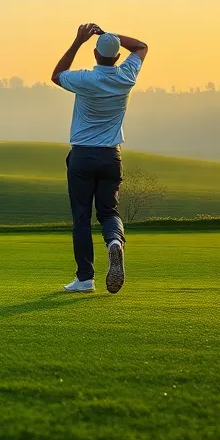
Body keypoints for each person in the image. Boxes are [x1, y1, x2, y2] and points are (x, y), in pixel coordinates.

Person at [51, 23, 149, 294]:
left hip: (83, 155)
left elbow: (57, 75)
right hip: (111, 156)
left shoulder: (85, 79)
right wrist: (111, 35)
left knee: (81, 217)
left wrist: (78, 41)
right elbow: (141, 47)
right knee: (109, 212)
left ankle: (85, 279)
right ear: (117, 56)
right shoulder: (126, 76)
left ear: (95, 54)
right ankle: (115, 242)